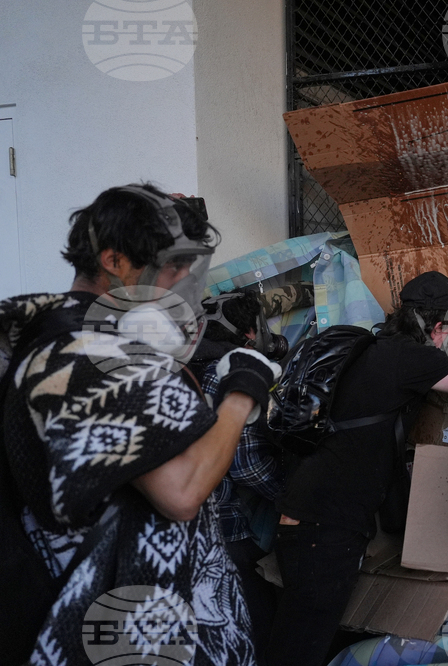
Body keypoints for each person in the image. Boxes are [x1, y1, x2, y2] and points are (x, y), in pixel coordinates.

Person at [0, 184, 280, 665]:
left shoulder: (80, 338)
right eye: (173, 266)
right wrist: (244, 388)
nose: (184, 281)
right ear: (113, 261)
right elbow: (182, 491)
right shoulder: (87, 354)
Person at [267, 271, 448, 666]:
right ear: (438, 327)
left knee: (294, 634)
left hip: (303, 513)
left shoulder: (372, 350)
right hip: (327, 526)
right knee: (301, 648)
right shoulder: (412, 359)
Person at [198, 289, 286, 660]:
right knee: (263, 628)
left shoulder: (188, 368)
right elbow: (246, 465)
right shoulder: (230, 375)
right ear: (250, 333)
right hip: (223, 529)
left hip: (189, 530)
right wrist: (293, 496)